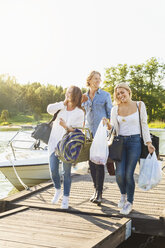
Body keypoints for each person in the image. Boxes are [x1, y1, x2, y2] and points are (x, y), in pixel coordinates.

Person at [105, 82, 155, 215]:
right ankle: (123, 194)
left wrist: (148, 142)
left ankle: (129, 202)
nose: (121, 95)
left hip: (135, 142)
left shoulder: (139, 105)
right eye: (118, 94)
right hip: (120, 143)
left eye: (123, 92)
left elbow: (144, 125)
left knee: (128, 174)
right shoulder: (115, 109)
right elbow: (114, 129)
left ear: (128, 91)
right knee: (119, 174)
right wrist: (109, 125)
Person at [47, 86, 84, 209]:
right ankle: (57, 190)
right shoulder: (61, 106)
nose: (67, 95)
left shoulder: (79, 112)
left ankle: (66, 198)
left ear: (76, 96)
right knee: (53, 170)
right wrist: (61, 103)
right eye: (67, 92)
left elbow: (78, 131)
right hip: (53, 143)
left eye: (70, 93)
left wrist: (65, 126)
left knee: (66, 173)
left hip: (67, 145)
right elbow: (48, 109)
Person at [82, 71, 112, 204]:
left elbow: (111, 113)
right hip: (88, 134)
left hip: (101, 133)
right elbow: (81, 113)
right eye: (95, 78)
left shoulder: (105, 95)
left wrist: (108, 121)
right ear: (89, 80)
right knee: (91, 164)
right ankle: (95, 189)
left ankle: (99, 193)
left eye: (99, 79)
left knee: (99, 163)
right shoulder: (84, 97)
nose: (98, 81)